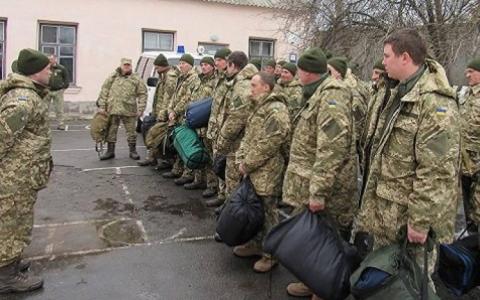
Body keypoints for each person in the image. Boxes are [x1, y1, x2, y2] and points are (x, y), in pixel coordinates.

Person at [355, 29, 460, 289]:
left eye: (387, 56)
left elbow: (436, 170)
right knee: (386, 281)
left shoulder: (435, 103)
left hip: (409, 220)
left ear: (405, 57)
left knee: (413, 283)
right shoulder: (398, 92)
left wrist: (420, 221)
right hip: (387, 212)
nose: (383, 61)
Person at [282, 48, 357, 298]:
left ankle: (326, 289)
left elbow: (331, 148)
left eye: (298, 70)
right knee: (314, 238)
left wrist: (318, 191)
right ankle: (313, 281)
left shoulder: (332, 96)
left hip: (330, 186)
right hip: (311, 179)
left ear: (306, 72)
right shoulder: (316, 93)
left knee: (330, 239)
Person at [0, 48, 53, 293]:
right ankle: (5, 276)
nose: (51, 72)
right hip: (14, 175)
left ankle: (11, 264)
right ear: (34, 73)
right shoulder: (22, 100)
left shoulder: (31, 94)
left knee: (17, 220)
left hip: (22, 171)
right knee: (11, 222)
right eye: (47, 69)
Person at [215, 51, 258, 198]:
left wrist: (222, 140)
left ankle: (230, 213)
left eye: (228, 66)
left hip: (238, 142)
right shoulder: (247, 81)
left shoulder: (242, 85)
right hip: (244, 139)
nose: (226, 69)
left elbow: (237, 117)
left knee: (233, 180)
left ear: (233, 65)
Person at [97, 58, 147, 160]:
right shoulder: (113, 76)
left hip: (129, 109)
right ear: (121, 65)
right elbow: (104, 90)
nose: (126, 67)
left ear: (131, 66)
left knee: (131, 132)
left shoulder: (136, 79)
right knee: (111, 131)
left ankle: (133, 151)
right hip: (113, 109)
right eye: (125, 65)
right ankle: (110, 151)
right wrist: (102, 106)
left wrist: (141, 109)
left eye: (128, 65)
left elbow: (143, 94)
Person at [162, 54, 200, 181]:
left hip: (184, 116)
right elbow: (175, 96)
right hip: (177, 115)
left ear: (190, 65)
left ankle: (188, 174)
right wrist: (170, 109)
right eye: (180, 63)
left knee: (186, 144)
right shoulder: (182, 77)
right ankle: (177, 170)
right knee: (179, 143)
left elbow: (187, 99)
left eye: (184, 63)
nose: (181, 66)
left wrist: (175, 111)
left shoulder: (193, 78)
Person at [137, 54, 179, 167]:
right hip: (159, 110)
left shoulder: (170, 78)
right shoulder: (163, 75)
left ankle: (166, 160)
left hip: (165, 112)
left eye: (157, 67)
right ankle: (152, 157)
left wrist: (163, 113)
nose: (156, 69)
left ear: (163, 66)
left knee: (158, 135)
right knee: (150, 130)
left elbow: (169, 97)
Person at [184, 56, 217, 191]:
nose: (204, 67)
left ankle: (211, 185)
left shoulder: (215, 82)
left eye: (207, 65)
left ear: (213, 66)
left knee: (209, 155)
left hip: (207, 123)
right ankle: (198, 180)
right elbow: (190, 97)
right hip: (195, 122)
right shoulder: (198, 80)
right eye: (202, 64)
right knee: (198, 150)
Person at [205, 48, 232, 206]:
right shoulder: (219, 79)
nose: (216, 63)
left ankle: (227, 199)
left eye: (219, 60)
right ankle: (221, 194)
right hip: (215, 126)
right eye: (215, 60)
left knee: (227, 166)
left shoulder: (232, 80)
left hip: (227, 129)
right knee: (218, 161)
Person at [460, 57, 480, 231]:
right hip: (465, 161)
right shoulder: (466, 94)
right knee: (467, 203)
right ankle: (471, 236)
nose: (467, 75)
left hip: (478, 161)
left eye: (471, 71)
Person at [45, 54, 69, 130]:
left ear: (55, 59)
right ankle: (44, 125)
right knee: (44, 109)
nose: (50, 61)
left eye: (51, 59)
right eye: (49, 59)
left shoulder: (61, 68)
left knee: (59, 109)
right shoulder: (46, 68)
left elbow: (66, 79)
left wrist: (63, 88)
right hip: (47, 90)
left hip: (58, 91)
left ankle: (61, 124)